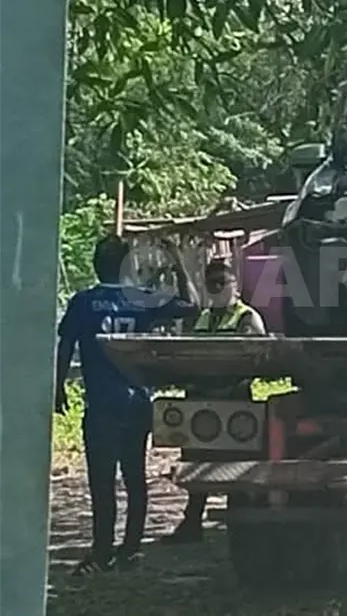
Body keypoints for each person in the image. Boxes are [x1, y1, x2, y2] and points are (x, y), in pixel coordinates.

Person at [56, 235, 198, 576]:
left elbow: (64, 346)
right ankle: (131, 549)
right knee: (135, 477)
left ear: (94, 263)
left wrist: (59, 386)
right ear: (125, 266)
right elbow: (191, 305)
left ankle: (102, 550)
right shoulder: (141, 301)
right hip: (136, 401)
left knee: (102, 481)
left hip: (102, 403)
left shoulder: (83, 302)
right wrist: (177, 260)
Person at [162, 258, 267, 544]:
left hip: (234, 400)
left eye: (223, 282)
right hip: (202, 400)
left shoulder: (248, 318)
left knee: (237, 467)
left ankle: (241, 525)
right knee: (196, 463)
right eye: (212, 284)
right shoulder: (202, 318)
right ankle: (192, 522)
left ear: (235, 285)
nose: (218, 288)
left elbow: (256, 361)